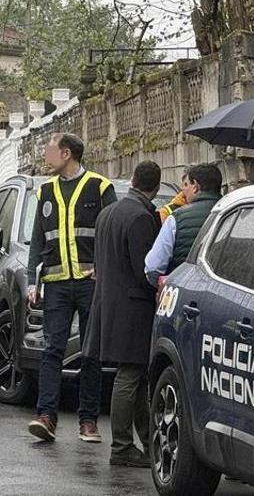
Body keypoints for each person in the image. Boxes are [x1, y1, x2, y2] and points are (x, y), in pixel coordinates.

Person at [24, 132, 116, 443]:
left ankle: (88, 421)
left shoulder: (100, 186)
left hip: (91, 283)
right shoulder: (45, 190)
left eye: (49, 150)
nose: (45, 156)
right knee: (52, 349)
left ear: (66, 154)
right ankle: (46, 416)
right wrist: (30, 281)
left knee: (90, 353)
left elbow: (111, 232)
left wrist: (104, 270)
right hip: (56, 283)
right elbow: (38, 239)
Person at [83, 161, 162, 467]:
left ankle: (144, 441)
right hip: (133, 307)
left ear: (132, 180)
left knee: (136, 376)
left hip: (108, 303)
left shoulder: (108, 212)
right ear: (154, 188)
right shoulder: (142, 216)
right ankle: (121, 445)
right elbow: (145, 270)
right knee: (129, 376)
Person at [145, 163, 223, 287]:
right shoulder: (233, 213)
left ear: (196, 186)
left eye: (187, 185)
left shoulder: (177, 218)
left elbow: (153, 267)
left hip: (185, 293)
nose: (183, 190)